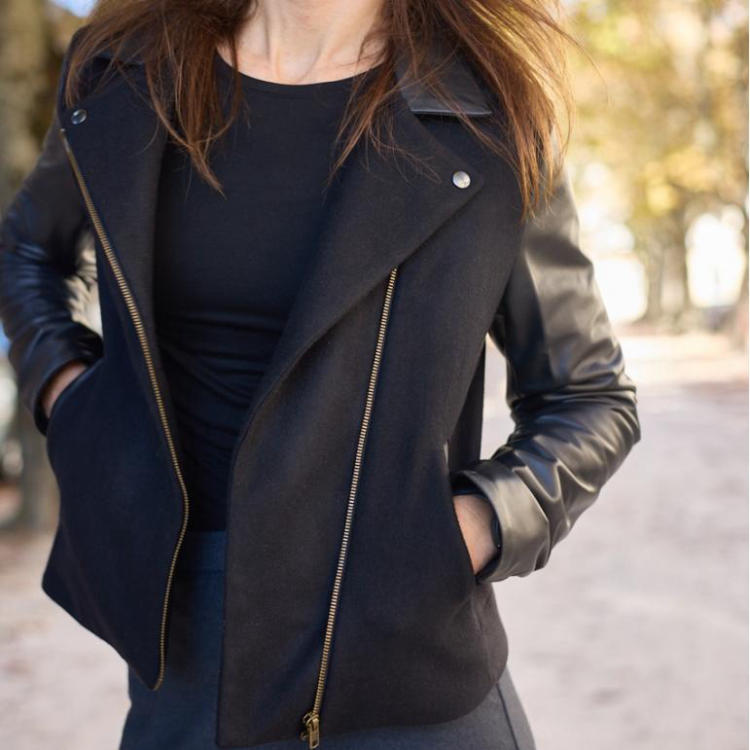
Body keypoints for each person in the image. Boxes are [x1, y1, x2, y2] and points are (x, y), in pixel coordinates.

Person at [0, 1, 641, 748]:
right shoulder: (124, 73)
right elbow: (28, 253)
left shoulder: (490, 120)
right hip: (186, 652)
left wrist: (473, 529)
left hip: (406, 667)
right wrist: (68, 391)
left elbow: (589, 396)